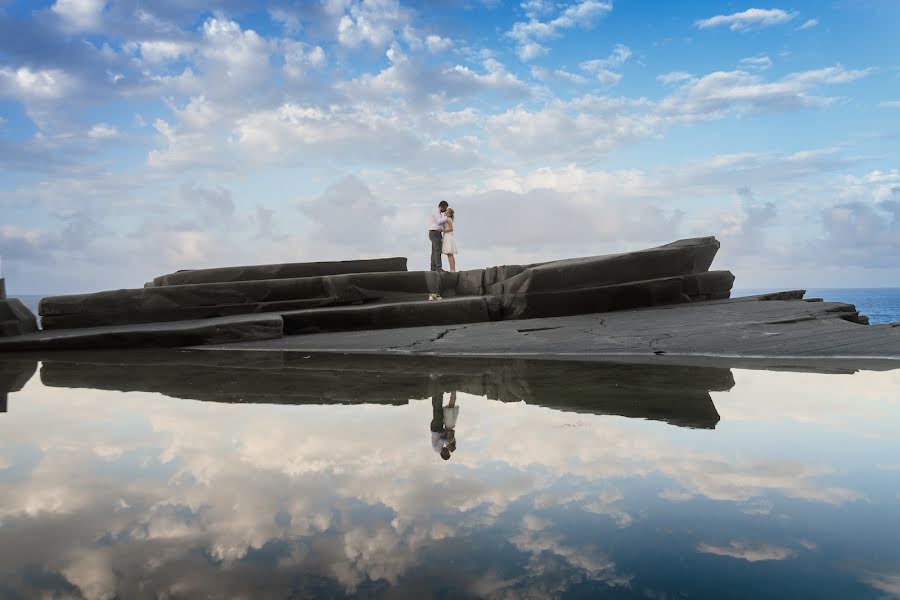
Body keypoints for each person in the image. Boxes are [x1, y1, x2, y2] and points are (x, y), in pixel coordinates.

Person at [428, 201, 449, 273]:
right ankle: (438, 268)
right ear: (443, 206)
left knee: (434, 251)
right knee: (437, 250)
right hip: (434, 232)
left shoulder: (439, 213)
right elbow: (439, 221)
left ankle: (433, 268)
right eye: (446, 207)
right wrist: (447, 217)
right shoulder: (436, 212)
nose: (446, 210)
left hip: (435, 232)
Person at [441, 208, 458, 273]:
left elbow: (451, 229)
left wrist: (443, 230)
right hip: (448, 236)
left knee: (449, 254)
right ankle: (453, 269)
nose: (445, 212)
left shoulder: (448, 219)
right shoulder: (448, 219)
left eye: (446, 211)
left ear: (448, 213)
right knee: (450, 254)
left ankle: (452, 269)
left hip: (448, 236)